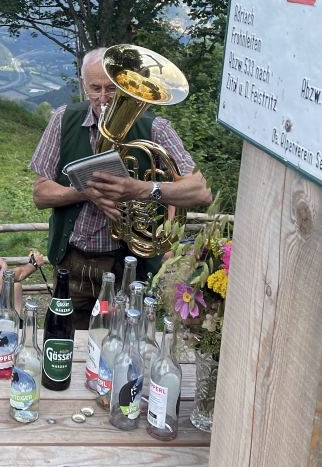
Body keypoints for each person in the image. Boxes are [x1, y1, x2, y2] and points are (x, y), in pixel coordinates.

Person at [29, 47, 212, 330]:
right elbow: (40, 194)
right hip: (72, 262)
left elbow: (201, 191)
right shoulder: (63, 119)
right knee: (66, 338)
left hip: (128, 266)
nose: (103, 98)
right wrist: (85, 192)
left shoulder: (156, 129)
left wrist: (141, 189)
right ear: (83, 85)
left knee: (123, 344)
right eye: (95, 88)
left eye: (111, 88)